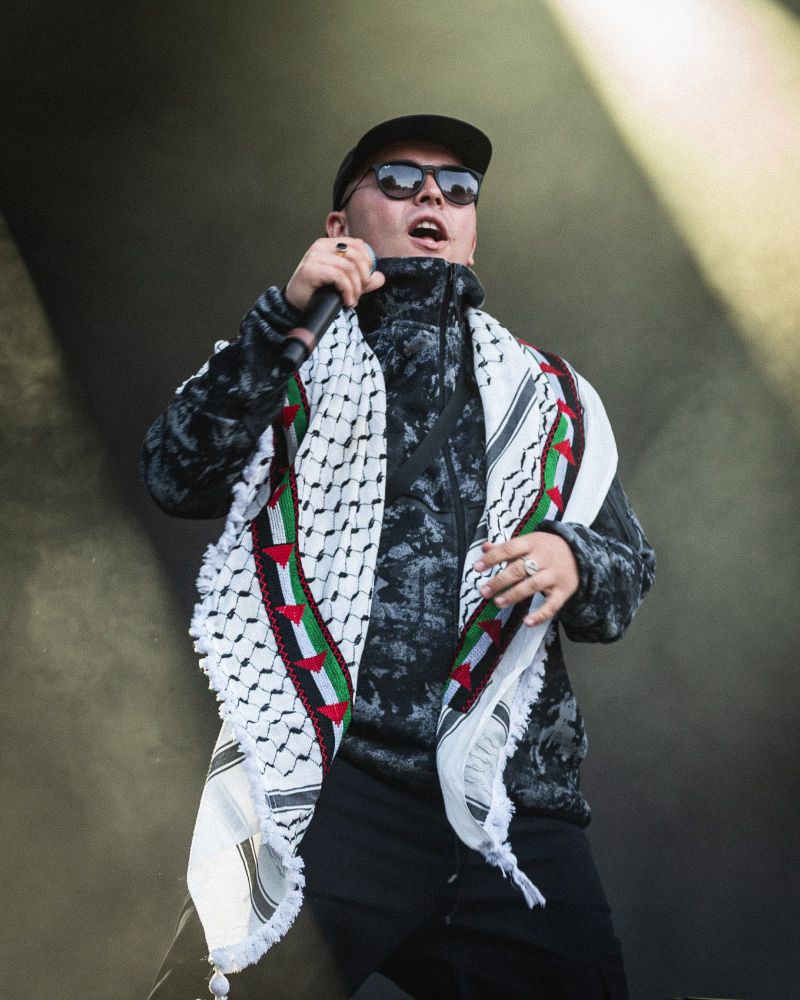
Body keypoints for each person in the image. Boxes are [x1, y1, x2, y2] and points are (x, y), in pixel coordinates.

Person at [142, 115, 655, 1000]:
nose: (433, 197)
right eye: (400, 178)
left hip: (504, 802)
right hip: (333, 790)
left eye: (458, 189)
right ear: (339, 227)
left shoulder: (550, 396)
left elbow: (627, 576)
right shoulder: (284, 360)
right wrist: (286, 321)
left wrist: (575, 560)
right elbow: (176, 473)